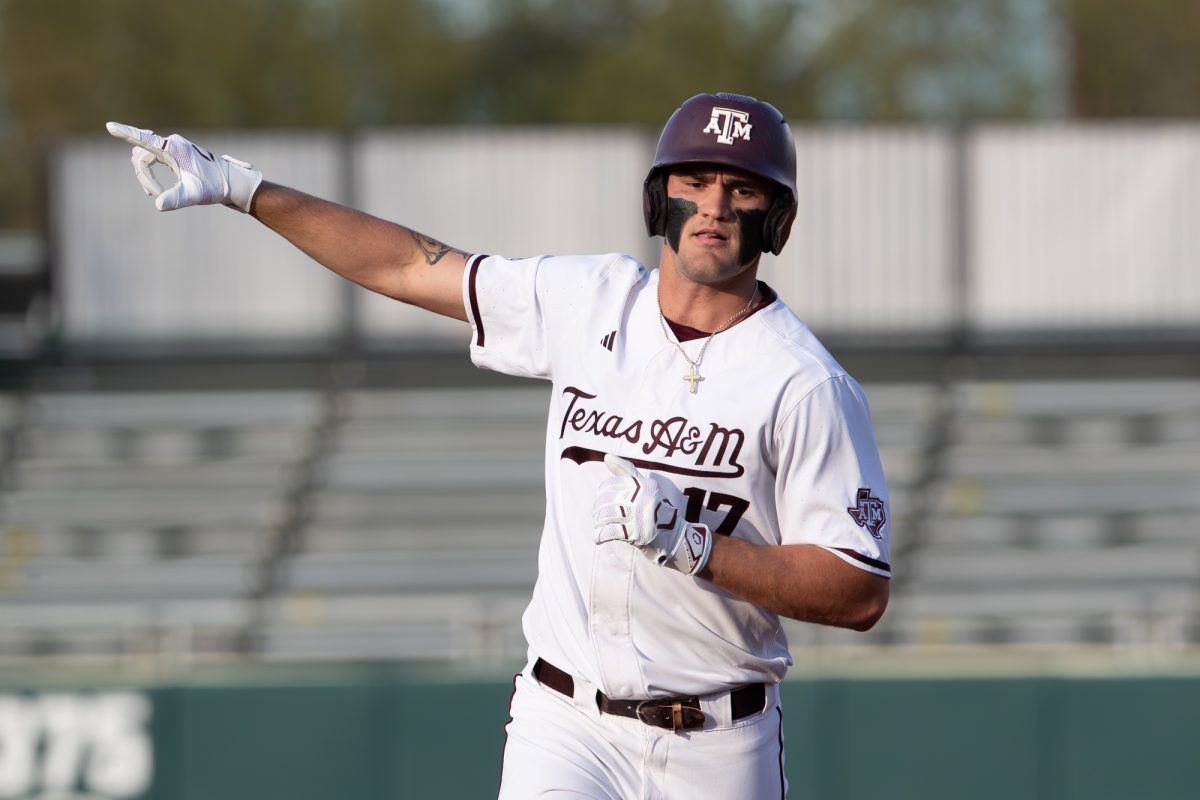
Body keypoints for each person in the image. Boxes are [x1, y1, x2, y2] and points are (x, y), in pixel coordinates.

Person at [108, 91, 891, 799]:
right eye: (696, 179)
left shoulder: (805, 383)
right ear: (661, 195)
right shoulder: (588, 301)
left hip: (720, 740)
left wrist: (695, 546)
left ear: (777, 219)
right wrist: (247, 191)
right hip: (568, 720)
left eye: (743, 189)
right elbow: (408, 265)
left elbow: (857, 591)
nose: (714, 205)